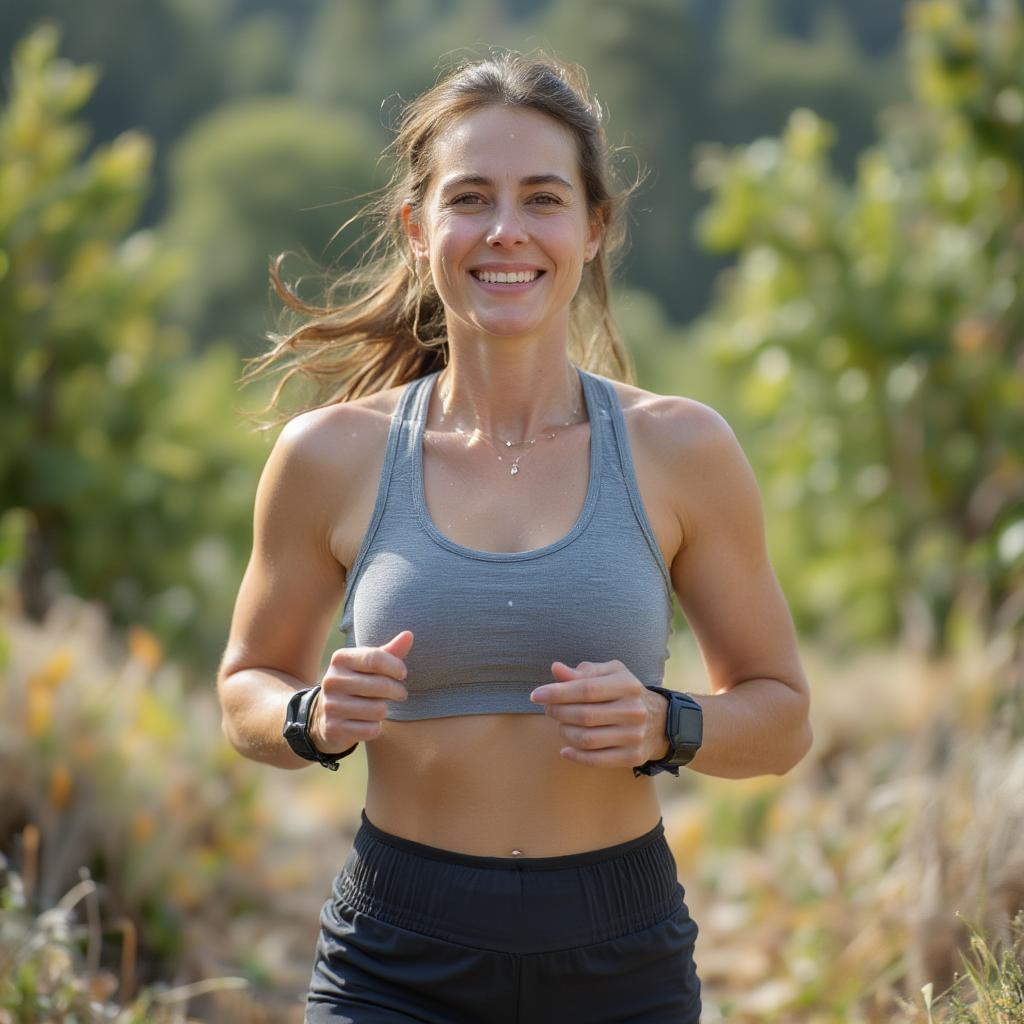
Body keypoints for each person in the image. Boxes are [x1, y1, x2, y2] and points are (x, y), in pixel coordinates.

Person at [217, 49, 812, 1024]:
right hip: (395, 960)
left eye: (541, 198)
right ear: (418, 228)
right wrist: (310, 715)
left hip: (619, 958)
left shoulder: (680, 447)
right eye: (470, 199)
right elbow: (244, 684)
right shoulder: (328, 456)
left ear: (592, 227)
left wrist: (672, 722)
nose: (505, 232)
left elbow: (783, 716)